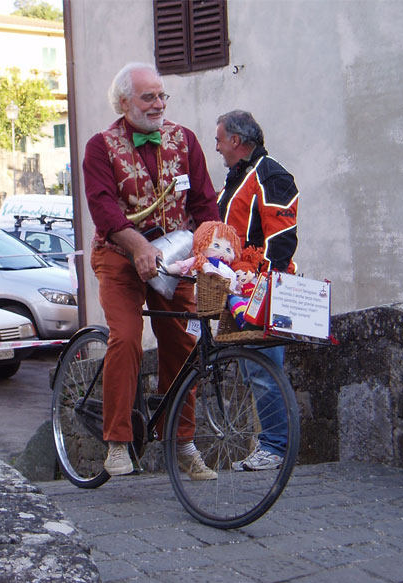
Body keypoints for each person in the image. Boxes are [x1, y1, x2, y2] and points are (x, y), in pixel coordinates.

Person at [83, 62, 221, 479]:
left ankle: (179, 441)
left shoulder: (185, 140)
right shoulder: (100, 146)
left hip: (173, 256)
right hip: (120, 256)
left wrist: (214, 246)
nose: (159, 103)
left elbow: (204, 203)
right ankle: (118, 441)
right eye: (149, 97)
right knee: (125, 337)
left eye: (162, 95)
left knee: (183, 340)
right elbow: (104, 208)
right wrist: (137, 245)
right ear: (124, 102)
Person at [215, 109, 299, 470]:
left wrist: (268, 285)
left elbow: (282, 237)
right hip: (239, 286)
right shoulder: (237, 177)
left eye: (219, 139)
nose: (216, 147)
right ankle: (271, 445)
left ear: (236, 140)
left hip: (261, 286)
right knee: (254, 371)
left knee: (264, 370)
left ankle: (276, 448)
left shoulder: (271, 174)